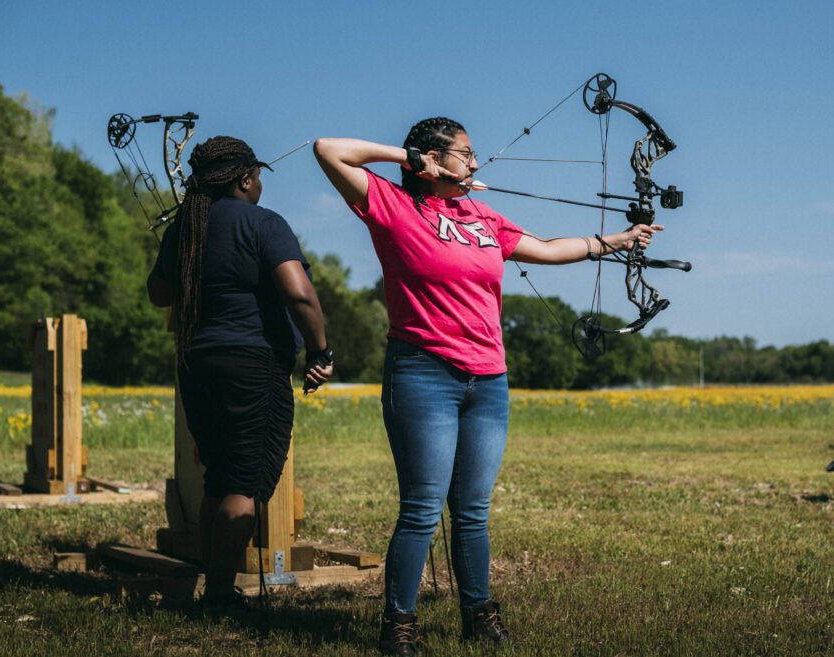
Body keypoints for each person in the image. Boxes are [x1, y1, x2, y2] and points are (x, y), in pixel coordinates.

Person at [314, 117, 660, 656]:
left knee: (472, 510)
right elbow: (329, 149)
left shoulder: (481, 217)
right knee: (423, 509)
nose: (476, 163)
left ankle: (478, 615)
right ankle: (398, 628)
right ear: (432, 158)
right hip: (423, 373)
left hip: (489, 379)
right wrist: (408, 158)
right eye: (465, 153)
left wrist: (613, 242)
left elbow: (546, 248)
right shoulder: (393, 206)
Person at [147, 135, 334, 608]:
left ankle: (213, 583)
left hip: (196, 362)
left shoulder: (184, 229)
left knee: (218, 475)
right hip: (252, 365)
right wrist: (320, 351)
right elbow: (299, 294)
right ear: (246, 179)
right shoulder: (265, 223)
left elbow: (159, 294)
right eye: (258, 177)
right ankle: (219, 595)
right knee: (245, 483)